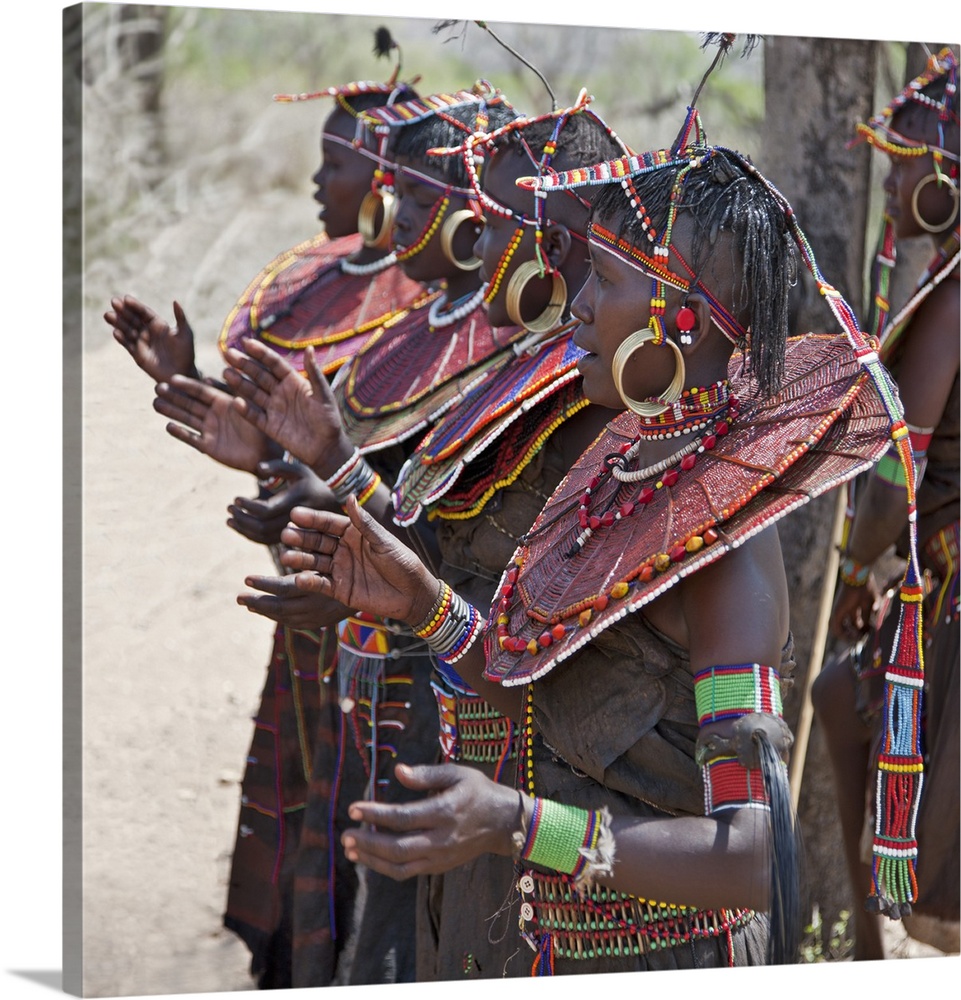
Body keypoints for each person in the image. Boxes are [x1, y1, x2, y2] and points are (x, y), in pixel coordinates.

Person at [278, 105, 905, 973]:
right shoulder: (619, 467)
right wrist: (424, 608)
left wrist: (520, 823)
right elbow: (549, 702)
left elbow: (755, 854)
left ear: (677, 315)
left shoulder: (725, 550)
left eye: (603, 282)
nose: (573, 301)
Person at [103, 64, 428, 988]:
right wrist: (186, 379)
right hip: (311, 628)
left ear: (387, 185)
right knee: (307, 826)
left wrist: (313, 493)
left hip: (396, 636)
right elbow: (289, 447)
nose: (314, 185)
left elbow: (395, 475)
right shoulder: (312, 296)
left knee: (371, 846)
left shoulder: (446, 321)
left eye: (333, 166)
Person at [224, 82, 525, 985]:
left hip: (447, 668)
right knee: (357, 875)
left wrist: (332, 485)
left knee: (413, 905)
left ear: (478, 220)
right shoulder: (406, 336)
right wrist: (289, 477)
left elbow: (447, 532)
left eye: (417, 197)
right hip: (364, 647)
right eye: (390, 188)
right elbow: (377, 486)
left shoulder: (516, 355)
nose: (384, 209)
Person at [387, 91, 630, 979]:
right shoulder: (525, 371)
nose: (473, 241)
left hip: (552, 793)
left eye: (489, 221)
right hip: (485, 750)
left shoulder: (598, 408)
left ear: (552, 246)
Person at [813, 46, 959, 960]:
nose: (895, 184)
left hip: (945, 591)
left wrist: (857, 561)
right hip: (935, 572)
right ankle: (865, 951)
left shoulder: (950, 299)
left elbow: (897, 470)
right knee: (838, 696)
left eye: (907, 166)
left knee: (839, 692)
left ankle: (872, 949)